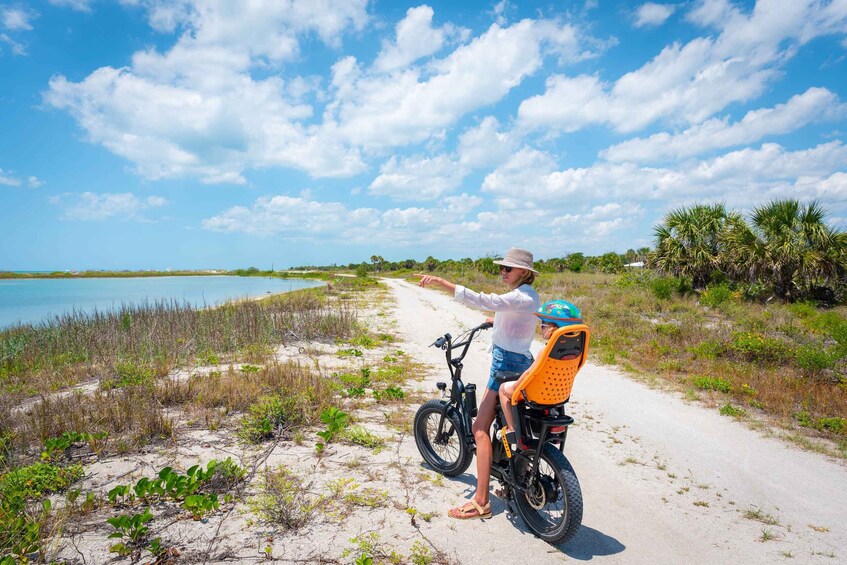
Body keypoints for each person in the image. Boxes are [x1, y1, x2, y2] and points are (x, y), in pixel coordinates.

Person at [414, 247, 540, 520]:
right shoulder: (529, 297)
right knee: (498, 420)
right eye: (502, 268)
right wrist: (496, 321)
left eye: (508, 268)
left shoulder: (518, 296)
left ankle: (481, 501)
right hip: (521, 360)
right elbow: (519, 318)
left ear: (524, 272)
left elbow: (483, 299)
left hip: (505, 364)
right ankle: (508, 474)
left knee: (479, 428)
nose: (502, 272)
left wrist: (440, 282)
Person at [498, 300, 583, 441]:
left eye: (543, 324)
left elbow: (529, 373)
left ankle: (512, 430)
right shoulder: (574, 351)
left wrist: (514, 387)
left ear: (554, 328)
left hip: (537, 393)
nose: (540, 328)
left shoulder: (546, 351)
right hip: (560, 394)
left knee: (503, 390)